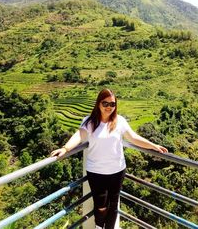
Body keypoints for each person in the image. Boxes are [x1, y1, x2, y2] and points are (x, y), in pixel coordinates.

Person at [51, 88, 168, 229]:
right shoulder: (89, 122)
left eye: (112, 104)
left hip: (117, 170)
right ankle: (99, 226)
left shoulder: (120, 121)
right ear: (98, 104)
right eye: (105, 103)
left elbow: (134, 138)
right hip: (96, 172)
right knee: (100, 206)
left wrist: (153, 146)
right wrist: (65, 149)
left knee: (113, 204)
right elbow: (79, 136)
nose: (109, 107)